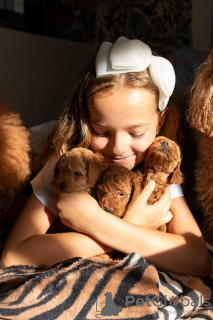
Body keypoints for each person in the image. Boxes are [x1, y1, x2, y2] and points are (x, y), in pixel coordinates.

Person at [1, 37, 210, 276]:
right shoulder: (67, 163)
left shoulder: (156, 169)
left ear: (160, 122)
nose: (119, 148)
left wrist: (97, 223)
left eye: (136, 133)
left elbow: (198, 259)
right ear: (87, 121)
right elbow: (12, 256)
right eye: (101, 132)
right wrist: (134, 228)